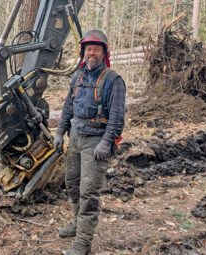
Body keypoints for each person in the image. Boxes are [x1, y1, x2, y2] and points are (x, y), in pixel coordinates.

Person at [53, 29, 126, 255]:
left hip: (96, 141)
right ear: (83, 51)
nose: (91, 53)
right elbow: (67, 108)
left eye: (96, 49)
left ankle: (83, 243)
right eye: (88, 49)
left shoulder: (114, 81)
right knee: (72, 184)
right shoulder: (78, 77)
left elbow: (117, 117)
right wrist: (59, 132)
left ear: (104, 52)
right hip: (75, 137)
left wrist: (106, 143)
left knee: (89, 192)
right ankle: (77, 224)